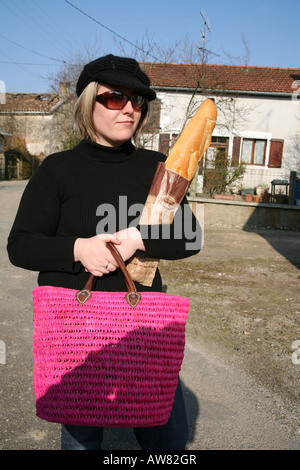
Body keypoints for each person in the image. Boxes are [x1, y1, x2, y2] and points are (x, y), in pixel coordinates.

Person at [7, 54, 201, 450]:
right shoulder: (57, 170)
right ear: (89, 101)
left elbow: (191, 237)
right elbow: (21, 245)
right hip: (75, 333)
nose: (129, 108)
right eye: (115, 98)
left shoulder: (158, 167)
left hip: (141, 328)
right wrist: (79, 248)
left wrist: (138, 238)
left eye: (137, 100)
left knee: (166, 439)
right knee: (81, 439)